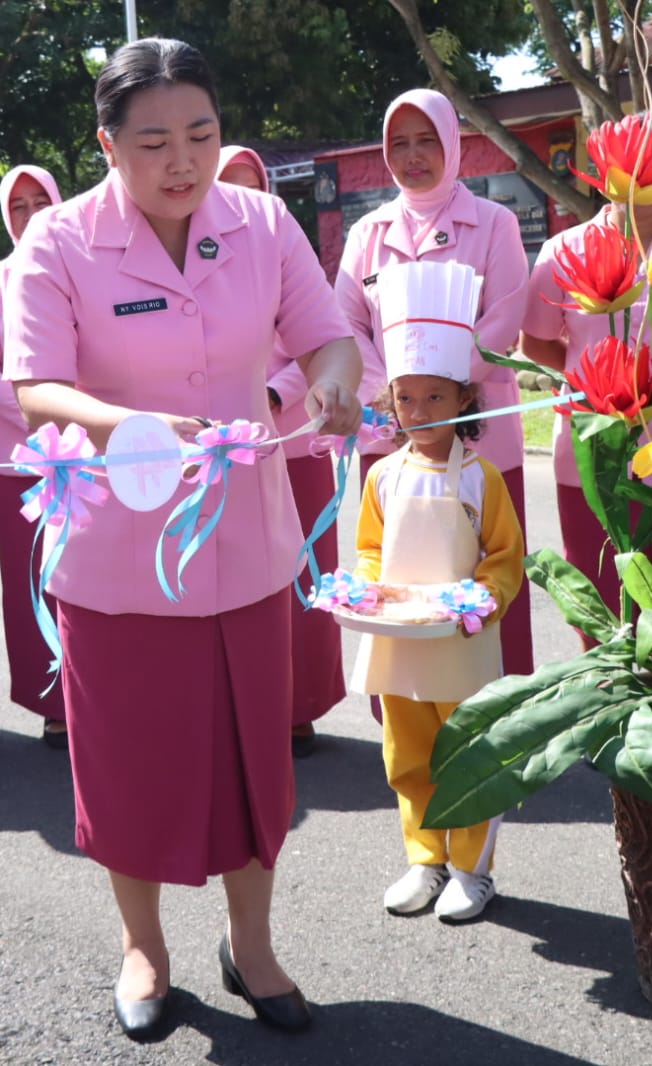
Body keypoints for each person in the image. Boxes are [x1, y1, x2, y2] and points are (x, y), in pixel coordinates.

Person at [3, 38, 362, 1040]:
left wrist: (332, 380)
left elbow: (324, 331)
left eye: (201, 134)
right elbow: (37, 389)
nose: (184, 162)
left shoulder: (261, 221)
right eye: (154, 141)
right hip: (119, 555)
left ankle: (252, 947)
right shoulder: (61, 242)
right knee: (129, 763)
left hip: (245, 546)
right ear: (108, 145)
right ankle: (145, 947)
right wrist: (143, 430)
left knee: (256, 760)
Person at [336, 88, 534, 682]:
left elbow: (505, 317)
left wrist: (436, 394)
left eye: (427, 140)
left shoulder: (494, 224)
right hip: (390, 437)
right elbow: (345, 323)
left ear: (452, 144)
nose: (413, 155)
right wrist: (395, 398)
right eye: (399, 143)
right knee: (400, 574)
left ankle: (498, 725)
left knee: (484, 576)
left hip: (478, 440)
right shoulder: (367, 232)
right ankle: (407, 716)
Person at [518, 111, 652, 639]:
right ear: (605, 167)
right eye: (626, 158)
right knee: (603, 608)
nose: (639, 169)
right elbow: (536, 341)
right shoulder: (562, 251)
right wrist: (594, 382)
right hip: (593, 451)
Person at [350, 353, 524, 924]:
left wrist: (486, 598)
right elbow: (371, 549)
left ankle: (473, 869)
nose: (418, 413)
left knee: (473, 753)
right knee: (408, 754)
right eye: (405, 399)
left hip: (461, 641)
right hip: (400, 639)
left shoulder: (482, 477)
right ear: (390, 402)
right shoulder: (383, 475)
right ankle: (427, 858)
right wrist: (367, 588)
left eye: (435, 398)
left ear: (464, 400)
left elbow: (504, 557)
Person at [216, 145, 345, 756]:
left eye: (254, 187)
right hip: (228, 447)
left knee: (303, 574)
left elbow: (317, 341)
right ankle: (246, 704)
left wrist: (273, 393)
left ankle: (301, 707)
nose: (244, 202)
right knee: (240, 578)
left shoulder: (283, 251)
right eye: (229, 188)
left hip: (293, 434)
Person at [0, 165, 69, 747]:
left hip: (86, 457)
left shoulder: (86, 265)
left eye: (39, 200)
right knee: (31, 580)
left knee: (93, 577)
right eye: (18, 205)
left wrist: (85, 424)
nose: (30, 214)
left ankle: (97, 689)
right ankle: (52, 701)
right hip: (21, 462)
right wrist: (44, 415)